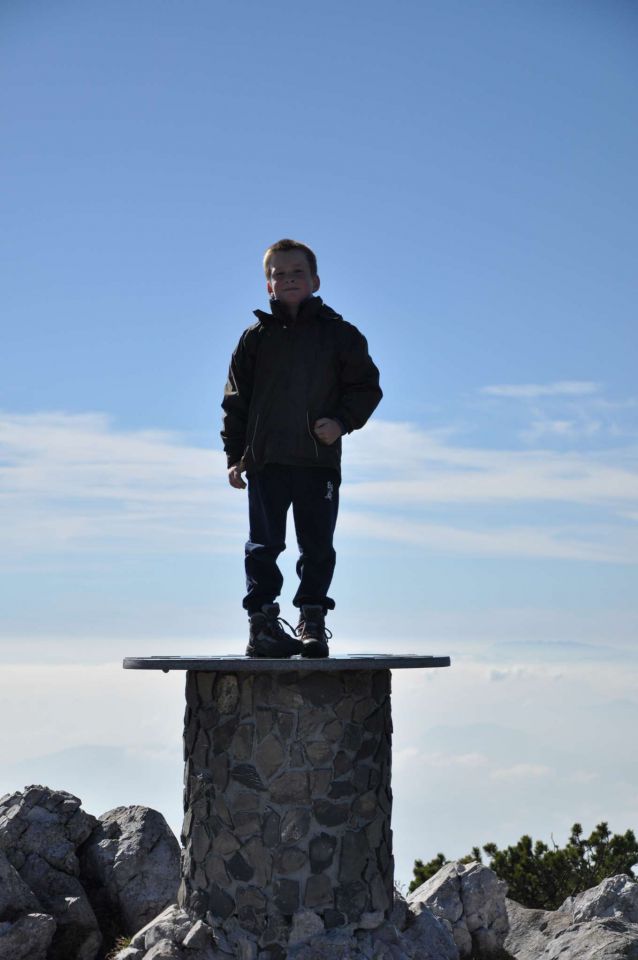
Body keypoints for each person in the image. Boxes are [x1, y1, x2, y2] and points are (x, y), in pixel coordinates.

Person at [221, 239, 382, 658]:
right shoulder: (254, 340)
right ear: (267, 285)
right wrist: (234, 457)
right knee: (263, 547)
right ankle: (263, 627)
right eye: (278, 274)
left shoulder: (340, 335)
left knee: (317, 545)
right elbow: (235, 402)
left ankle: (312, 621)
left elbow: (366, 388)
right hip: (265, 461)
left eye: (296, 273)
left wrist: (342, 422)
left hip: (316, 462)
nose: (287, 279)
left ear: (314, 280)